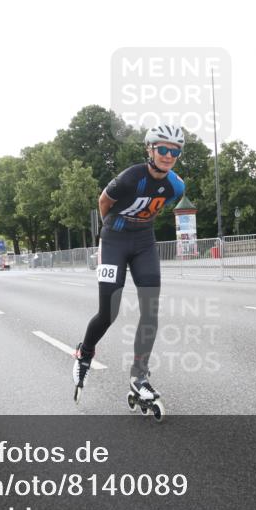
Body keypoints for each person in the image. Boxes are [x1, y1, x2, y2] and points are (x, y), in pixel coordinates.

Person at [73, 124, 186, 405]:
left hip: (144, 242)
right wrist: (111, 230)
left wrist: (139, 224)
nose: (168, 155)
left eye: (174, 151)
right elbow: (103, 202)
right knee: (108, 312)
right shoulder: (129, 178)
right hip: (114, 240)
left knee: (150, 311)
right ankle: (84, 353)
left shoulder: (177, 186)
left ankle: (139, 376)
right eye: (163, 149)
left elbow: (156, 208)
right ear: (150, 149)